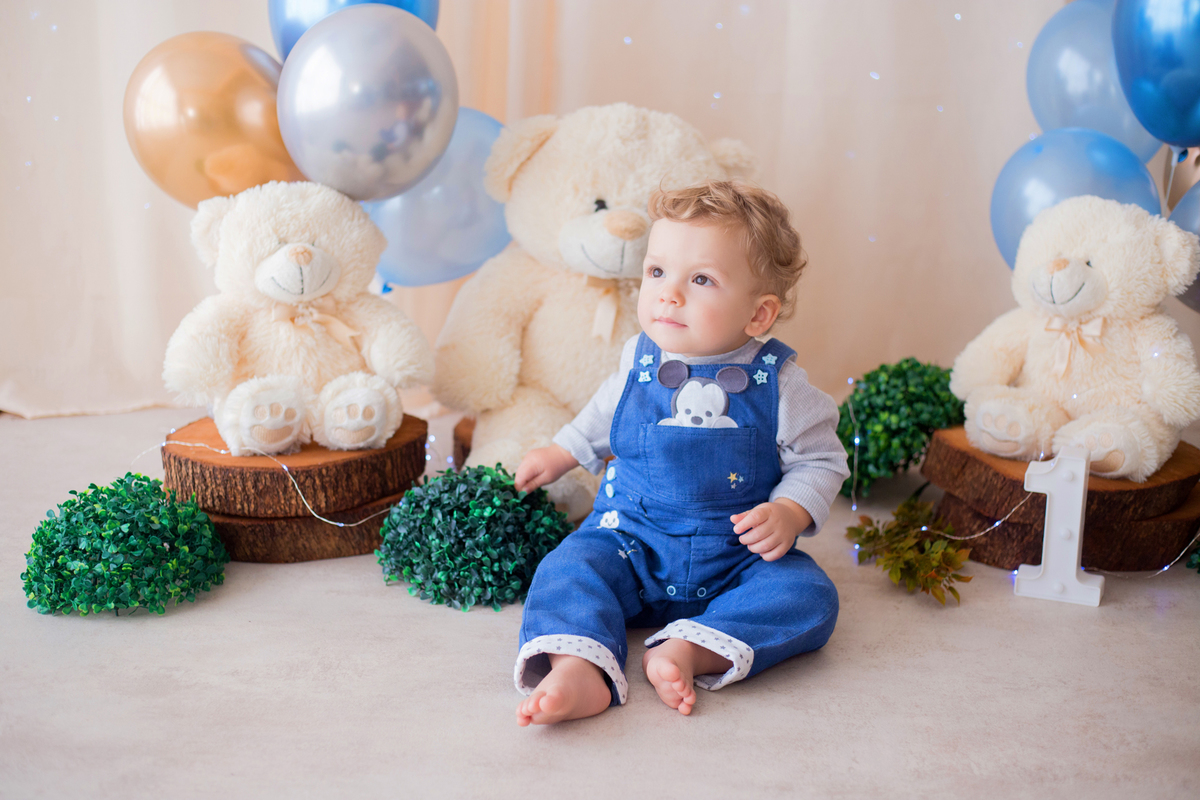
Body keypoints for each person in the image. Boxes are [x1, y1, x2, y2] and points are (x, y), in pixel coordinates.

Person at [512, 180, 849, 725]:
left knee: (808, 594)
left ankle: (690, 649)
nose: (669, 293)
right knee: (568, 567)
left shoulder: (782, 385)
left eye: (701, 279)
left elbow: (822, 460)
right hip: (630, 541)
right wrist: (563, 450)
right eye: (657, 272)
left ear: (759, 315)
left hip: (737, 558)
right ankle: (578, 666)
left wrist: (790, 511)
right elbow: (606, 413)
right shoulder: (637, 358)